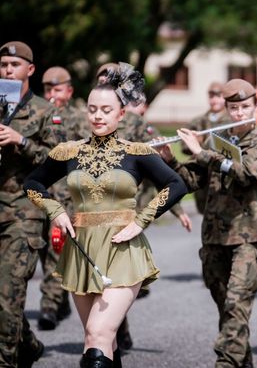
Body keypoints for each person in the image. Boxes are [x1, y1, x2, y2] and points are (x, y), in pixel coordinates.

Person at [23, 64, 188, 367]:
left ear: (121, 114)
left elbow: (177, 184)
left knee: (98, 335)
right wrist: (55, 211)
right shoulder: (69, 152)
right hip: (80, 252)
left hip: (123, 251)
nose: (98, 116)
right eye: (92, 109)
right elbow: (32, 183)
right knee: (101, 338)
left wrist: (141, 221)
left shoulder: (137, 152)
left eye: (106, 110)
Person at [163, 79, 257, 368]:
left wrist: (201, 153)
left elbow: (248, 174)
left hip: (248, 236)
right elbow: (191, 181)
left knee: (236, 302)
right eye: (234, 108)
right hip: (214, 237)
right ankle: (242, 360)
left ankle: (226, 362)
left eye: (245, 107)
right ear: (226, 109)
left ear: (255, 107)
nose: (239, 113)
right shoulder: (217, 140)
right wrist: (171, 161)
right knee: (227, 309)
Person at [0, 41, 66, 367]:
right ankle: (27, 345)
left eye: (14, 65)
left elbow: (58, 160)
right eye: (3, 65)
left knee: (8, 295)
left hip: (23, 213)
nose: (8, 70)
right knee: (4, 299)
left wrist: (21, 141)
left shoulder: (45, 111)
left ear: (30, 69)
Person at [36, 66, 89, 331]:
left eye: (57, 89)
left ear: (69, 91)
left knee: (55, 249)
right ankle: (61, 300)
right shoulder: (37, 115)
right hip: (38, 194)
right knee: (41, 248)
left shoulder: (79, 119)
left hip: (66, 197)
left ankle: (49, 304)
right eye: (48, 89)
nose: (52, 95)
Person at [184, 81, 229, 214]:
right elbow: (184, 145)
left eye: (218, 96)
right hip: (202, 175)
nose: (214, 100)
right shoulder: (198, 121)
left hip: (222, 175)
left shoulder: (231, 121)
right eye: (211, 96)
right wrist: (194, 143)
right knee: (205, 213)